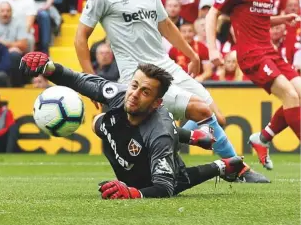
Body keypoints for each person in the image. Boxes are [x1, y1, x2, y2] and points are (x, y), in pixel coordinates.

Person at [76, 0, 268, 183]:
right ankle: (238, 170)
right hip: (140, 76)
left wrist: (191, 53)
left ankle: (170, 136)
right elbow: (81, 38)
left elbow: (165, 24)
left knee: (216, 119)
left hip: (166, 65)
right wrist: (91, 83)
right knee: (201, 110)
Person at [19, 53, 243, 198]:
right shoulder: (121, 94)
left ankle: (223, 166)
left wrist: (132, 193)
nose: (134, 95)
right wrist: (48, 67)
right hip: (129, 137)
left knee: (180, 179)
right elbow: (78, 80)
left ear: (157, 103)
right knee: (98, 122)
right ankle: (193, 136)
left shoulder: (161, 133)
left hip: (161, 170)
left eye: (145, 92)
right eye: (134, 85)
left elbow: (164, 188)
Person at [207, 0, 301, 171]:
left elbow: (260, 20)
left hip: (269, 50)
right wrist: (212, 49)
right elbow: (212, 14)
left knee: (298, 93)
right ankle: (264, 138)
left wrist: (282, 19)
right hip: (251, 55)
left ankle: (263, 138)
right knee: (290, 95)